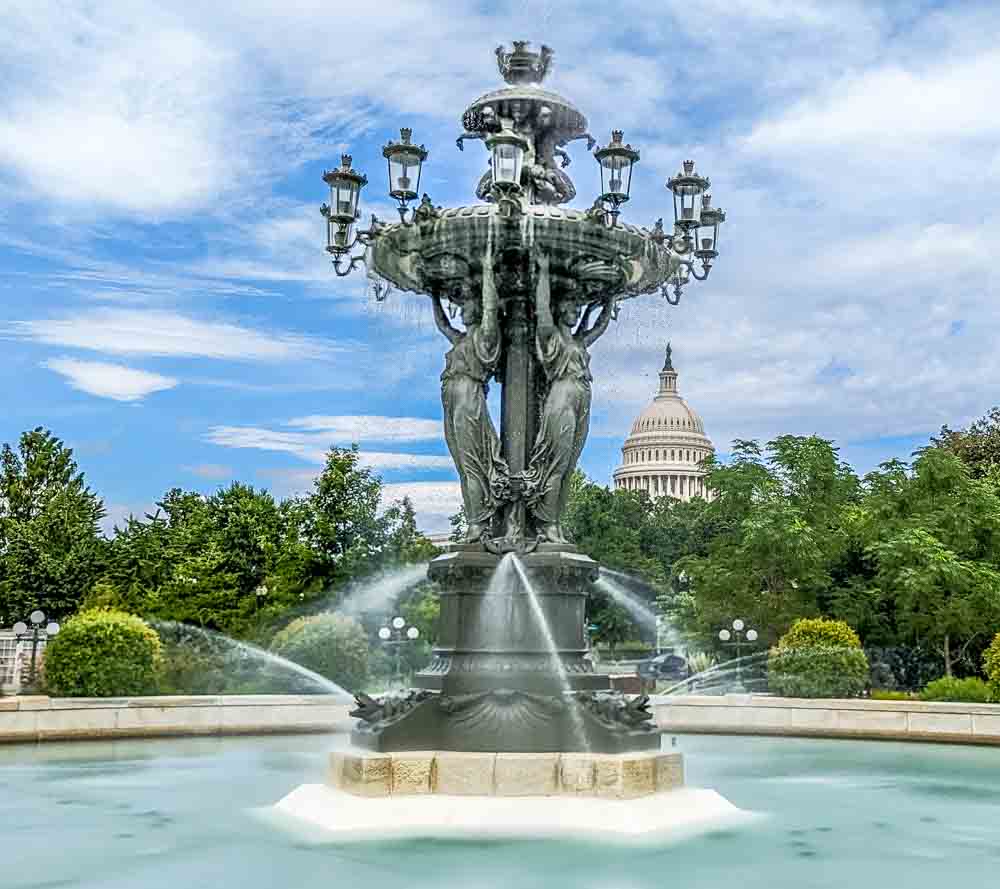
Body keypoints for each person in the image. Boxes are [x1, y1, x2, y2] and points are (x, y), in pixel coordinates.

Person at [526, 251, 615, 542]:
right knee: (556, 464)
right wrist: (542, 272)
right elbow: (541, 311)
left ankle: (554, 523)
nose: (575, 311)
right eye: (570, 307)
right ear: (559, 311)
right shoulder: (551, 337)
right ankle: (545, 524)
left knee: (568, 467)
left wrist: (610, 297)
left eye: (578, 309)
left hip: (581, 397)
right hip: (562, 397)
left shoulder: (577, 341)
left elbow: (600, 327)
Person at [431, 237, 507, 542]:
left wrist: (488, 270)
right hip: (453, 399)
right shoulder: (462, 339)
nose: (462, 308)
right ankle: (476, 520)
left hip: (468, 400)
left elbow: (490, 310)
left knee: (474, 464)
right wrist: (434, 296)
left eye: (468, 304)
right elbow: (442, 325)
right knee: (464, 465)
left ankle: (480, 524)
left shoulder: (486, 336)